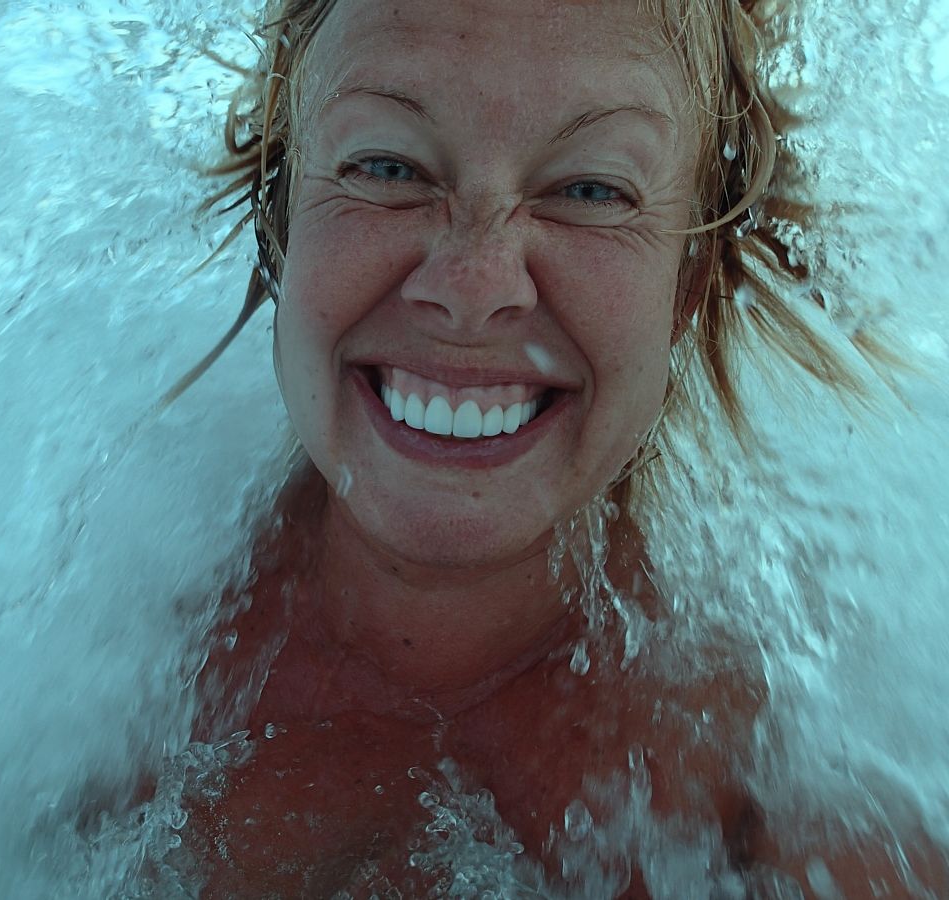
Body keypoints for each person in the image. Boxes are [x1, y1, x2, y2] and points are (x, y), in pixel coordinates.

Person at [140, 0, 946, 895]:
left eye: (591, 191)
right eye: (386, 166)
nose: (472, 284)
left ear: (688, 281)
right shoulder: (84, 643)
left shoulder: (784, 817)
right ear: (281, 219)